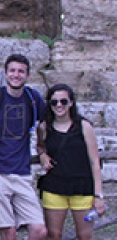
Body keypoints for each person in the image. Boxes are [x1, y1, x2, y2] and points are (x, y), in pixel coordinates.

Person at [0, 53, 47, 240]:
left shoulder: (33, 99)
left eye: (21, 71)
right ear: (5, 73)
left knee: (39, 230)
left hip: (22, 171)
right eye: (12, 71)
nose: (16, 75)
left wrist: (42, 149)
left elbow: (46, 123)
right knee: (8, 231)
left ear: (27, 75)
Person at [36, 84, 106, 240]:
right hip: (55, 186)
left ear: (71, 103)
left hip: (82, 186)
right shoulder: (44, 127)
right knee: (54, 234)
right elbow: (40, 146)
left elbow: (95, 161)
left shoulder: (84, 126)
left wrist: (98, 195)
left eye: (63, 101)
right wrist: (42, 155)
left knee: (85, 235)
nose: (59, 105)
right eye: (54, 102)